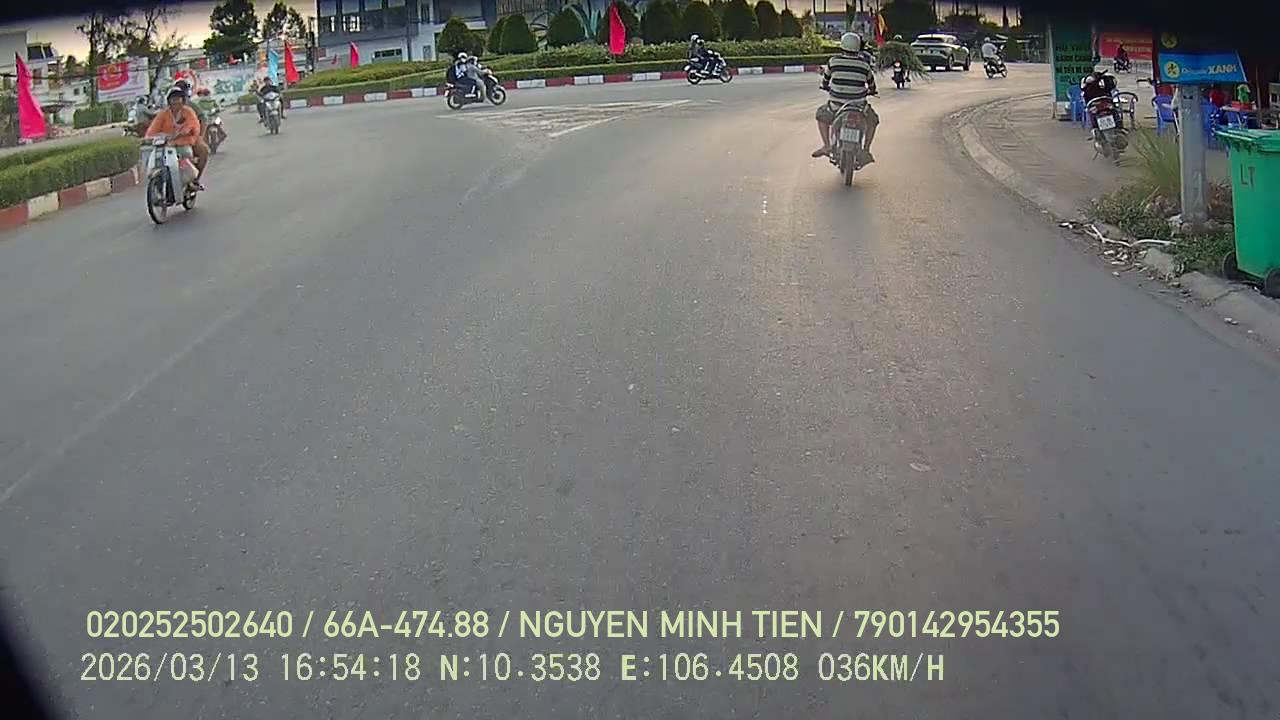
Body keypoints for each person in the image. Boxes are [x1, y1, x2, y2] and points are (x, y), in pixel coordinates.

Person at [812, 32, 879, 164]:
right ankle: (866, 150)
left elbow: (826, 80)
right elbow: (871, 84)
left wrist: (825, 86)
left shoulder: (833, 61)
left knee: (821, 116)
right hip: (859, 106)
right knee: (873, 121)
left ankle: (827, 146)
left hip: (837, 105)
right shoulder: (864, 65)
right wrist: (872, 91)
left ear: (842, 45)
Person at [145, 86, 205, 190]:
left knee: (188, 153)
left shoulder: (188, 111)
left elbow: (193, 124)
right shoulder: (163, 114)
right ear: (169, 101)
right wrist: (148, 138)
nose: (175, 101)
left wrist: (183, 132)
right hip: (167, 144)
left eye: (178, 98)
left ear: (182, 100)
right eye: (173, 99)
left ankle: (192, 181)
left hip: (184, 142)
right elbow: (153, 129)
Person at [169, 80, 209, 189]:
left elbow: (203, 119)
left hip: (189, 138)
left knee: (204, 151)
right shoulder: (166, 106)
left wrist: (199, 137)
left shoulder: (191, 105)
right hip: (169, 139)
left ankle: (195, 180)